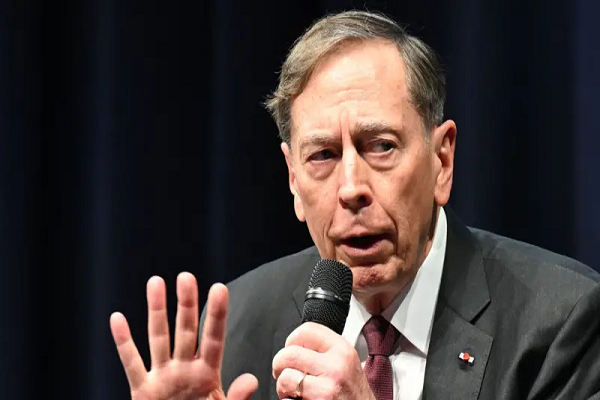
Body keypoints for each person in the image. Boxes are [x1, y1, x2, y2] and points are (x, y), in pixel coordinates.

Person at [109, 10, 600, 400]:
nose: (351, 188)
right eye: (322, 155)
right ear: (293, 180)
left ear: (442, 161)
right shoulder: (239, 328)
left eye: (381, 146)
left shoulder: (560, 321)